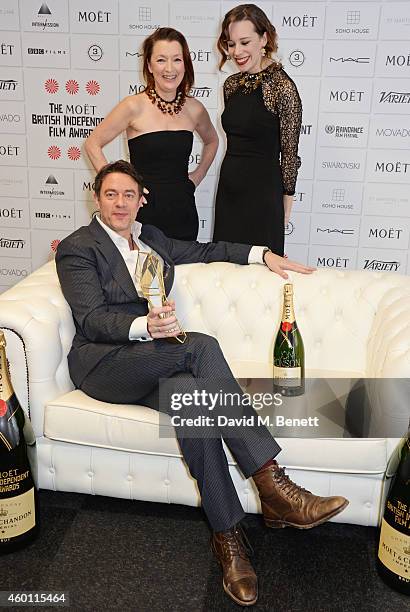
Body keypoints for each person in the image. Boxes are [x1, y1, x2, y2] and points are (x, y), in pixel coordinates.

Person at [56, 160, 348, 607]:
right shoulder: (80, 247)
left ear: (141, 200)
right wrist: (145, 326)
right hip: (104, 365)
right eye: (110, 194)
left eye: (128, 195)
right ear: (96, 196)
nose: (119, 203)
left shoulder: (151, 239)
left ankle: (228, 540)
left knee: (195, 407)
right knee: (201, 346)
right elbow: (92, 319)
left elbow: (205, 250)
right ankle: (272, 483)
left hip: (151, 363)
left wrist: (261, 254)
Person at [84, 27, 218, 241]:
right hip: (143, 213)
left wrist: (197, 176)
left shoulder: (195, 109)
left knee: (183, 272)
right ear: (149, 65)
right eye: (161, 60)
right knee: (141, 273)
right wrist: (122, 188)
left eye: (177, 59)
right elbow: (93, 144)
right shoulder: (133, 106)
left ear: (185, 64)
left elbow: (212, 140)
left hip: (182, 210)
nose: (169, 69)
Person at [213, 4, 302, 256]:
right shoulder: (231, 85)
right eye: (231, 44)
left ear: (264, 39)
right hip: (229, 190)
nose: (237, 52)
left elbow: (290, 152)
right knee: (225, 267)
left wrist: (286, 202)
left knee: (264, 270)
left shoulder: (282, 87)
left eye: (245, 42)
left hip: (264, 193)